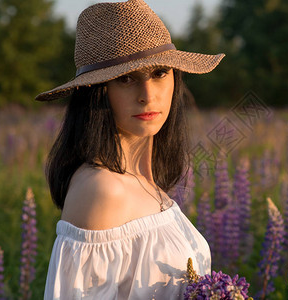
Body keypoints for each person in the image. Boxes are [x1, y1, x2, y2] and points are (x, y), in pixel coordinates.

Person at [35, 0, 225, 299]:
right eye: (126, 79)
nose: (148, 95)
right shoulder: (102, 190)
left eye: (160, 72)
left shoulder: (147, 182)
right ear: (97, 92)